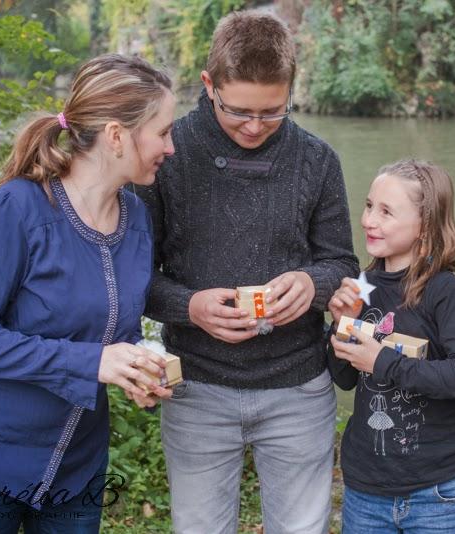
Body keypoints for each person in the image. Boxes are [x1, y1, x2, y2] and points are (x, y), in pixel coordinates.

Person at [0, 54, 176, 533]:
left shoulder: (137, 218)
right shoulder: (15, 208)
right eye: (162, 131)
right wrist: (92, 363)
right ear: (117, 135)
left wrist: (135, 370)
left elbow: (108, 332)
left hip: (75, 466)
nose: (172, 146)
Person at [135, 11, 358, 534]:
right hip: (196, 387)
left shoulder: (317, 160)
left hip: (299, 388)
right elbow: (135, 279)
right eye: (239, 111)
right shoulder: (167, 155)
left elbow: (341, 263)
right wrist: (190, 307)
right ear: (208, 85)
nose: (255, 126)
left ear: (290, 91)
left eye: (272, 112)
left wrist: (312, 285)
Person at [327, 159, 455, 533]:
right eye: (369, 206)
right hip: (366, 488)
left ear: (425, 225)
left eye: (386, 212)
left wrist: (383, 360)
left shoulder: (447, 292)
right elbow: (345, 377)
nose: (369, 220)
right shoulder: (362, 285)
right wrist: (339, 326)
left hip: (436, 490)